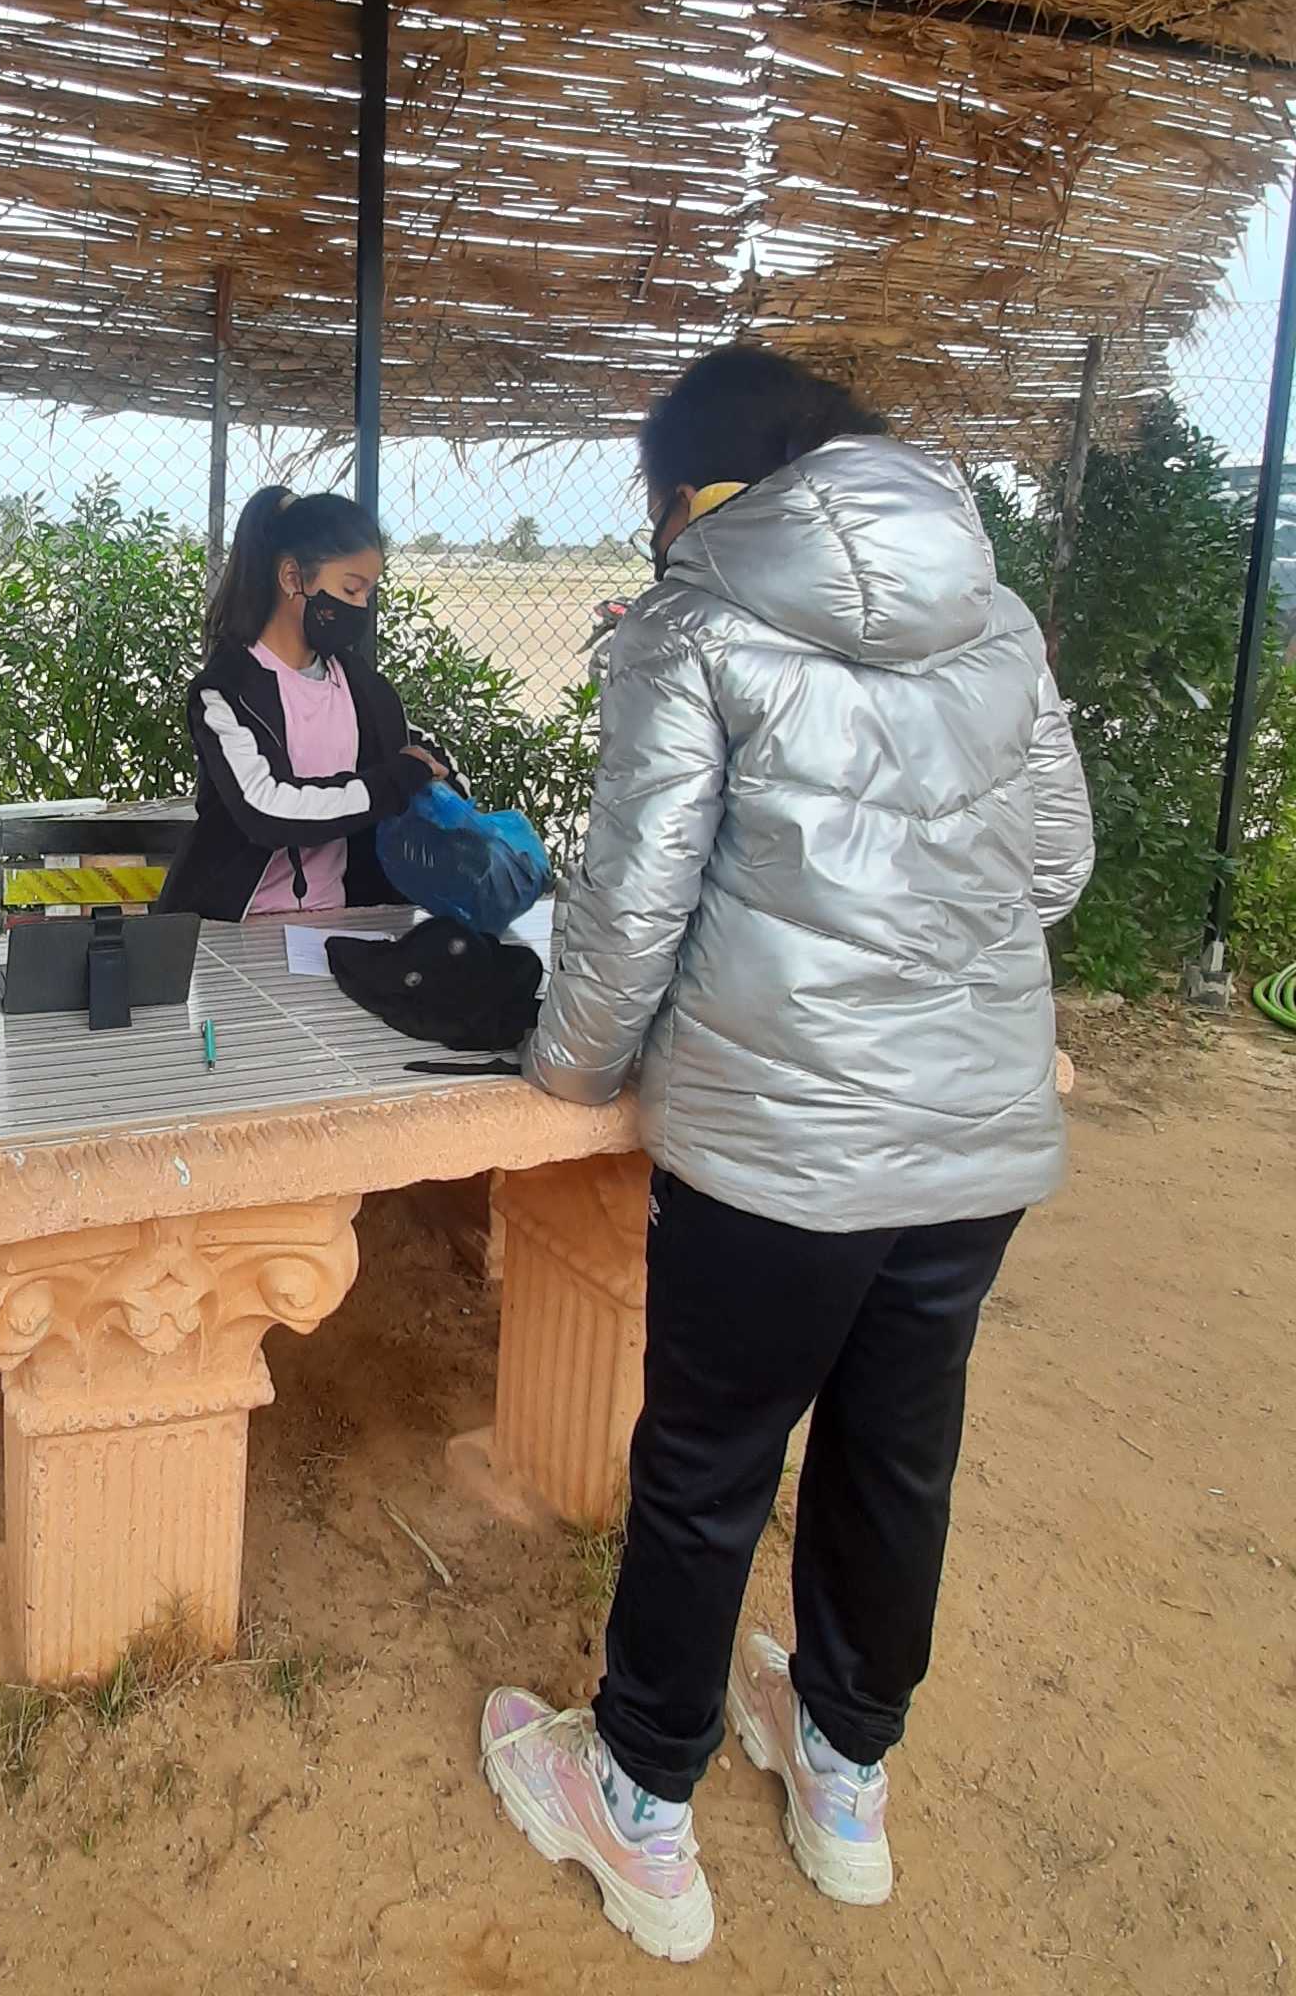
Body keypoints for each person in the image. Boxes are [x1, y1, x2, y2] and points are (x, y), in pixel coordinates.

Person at [479, 346, 1094, 1965]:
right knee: (896, 1452)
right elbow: (1054, 867)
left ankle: (639, 1801)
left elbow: (630, 909)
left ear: (693, 491)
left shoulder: (690, 623)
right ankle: (842, 1778)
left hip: (778, 1144)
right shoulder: (996, 618)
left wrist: (567, 1069)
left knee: (706, 1466)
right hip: (971, 1137)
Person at [157, 486, 461, 921]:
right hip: (234, 924)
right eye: (350, 589)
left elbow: (422, 756)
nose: (361, 607)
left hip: (342, 918)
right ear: (292, 578)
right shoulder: (225, 692)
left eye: (368, 593)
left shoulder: (363, 688)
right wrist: (395, 782)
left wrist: (440, 782)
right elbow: (267, 808)